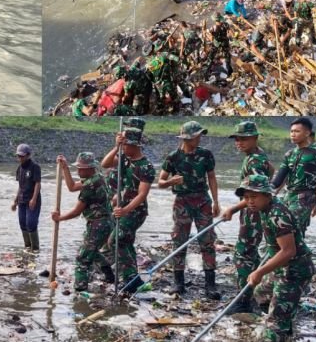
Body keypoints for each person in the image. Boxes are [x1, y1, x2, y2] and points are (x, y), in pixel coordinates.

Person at [227, 174, 315, 341]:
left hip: (294, 271)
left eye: (254, 196)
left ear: (267, 195)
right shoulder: (264, 207)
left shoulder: (277, 215)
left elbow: (288, 251)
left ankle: (279, 325)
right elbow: (248, 201)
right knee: (260, 292)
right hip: (281, 267)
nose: (250, 201)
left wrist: (260, 271)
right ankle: (285, 321)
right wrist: (232, 209)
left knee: (274, 327)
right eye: (246, 197)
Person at [158, 121, 220, 298]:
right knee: (179, 241)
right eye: (196, 136)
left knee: (207, 241)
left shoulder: (206, 155)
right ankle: (178, 283)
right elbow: (160, 182)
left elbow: (212, 178)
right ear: (187, 137)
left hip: (203, 202)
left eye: (200, 135)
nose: (200, 139)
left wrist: (216, 202)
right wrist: (171, 181)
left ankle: (210, 285)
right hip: (182, 203)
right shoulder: (173, 157)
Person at [221, 121, 275, 314]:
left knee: (243, 253)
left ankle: (244, 300)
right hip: (254, 209)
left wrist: (233, 208)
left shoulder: (254, 161)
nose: (239, 142)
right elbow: (272, 172)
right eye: (237, 139)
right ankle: (257, 293)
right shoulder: (258, 156)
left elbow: (255, 193)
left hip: (253, 211)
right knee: (251, 253)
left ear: (255, 138)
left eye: (243, 139)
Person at [102, 122, 156, 294]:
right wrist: (116, 146)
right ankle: (133, 277)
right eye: (123, 145)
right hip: (122, 206)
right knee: (126, 241)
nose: (124, 148)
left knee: (116, 240)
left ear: (134, 145)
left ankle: (131, 278)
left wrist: (125, 210)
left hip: (136, 210)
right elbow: (105, 163)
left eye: (126, 145)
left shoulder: (145, 167)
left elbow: (142, 195)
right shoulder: (125, 158)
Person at [52, 152, 115, 292]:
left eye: (81, 168)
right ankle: (110, 276)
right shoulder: (97, 178)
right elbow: (72, 187)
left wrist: (59, 218)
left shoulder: (90, 185)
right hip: (104, 223)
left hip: (98, 224)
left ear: (90, 168)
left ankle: (80, 291)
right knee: (92, 252)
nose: (78, 170)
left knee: (82, 258)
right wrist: (65, 168)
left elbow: (76, 212)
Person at [270, 117, 316, 234]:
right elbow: (278, 180)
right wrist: (261, 188)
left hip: (305, 198)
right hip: (288, 196)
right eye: (291, 131)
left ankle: (298, 251)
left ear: (307, 133)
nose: (293, 134)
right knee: (277, 225)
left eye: (297, 131)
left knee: (293, 228)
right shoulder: (290, 154)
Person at [12, 143, 42, 250]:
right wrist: (15, 202)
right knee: (22, 223)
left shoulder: (35, 167)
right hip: (22, 200)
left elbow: (37, 184)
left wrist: (34, 199)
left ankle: (35, 248)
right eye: (18, 156)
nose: (20, 158)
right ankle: (27, 246)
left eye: (22, 156)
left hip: (32, 200)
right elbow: (20, 186)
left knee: (31, 223)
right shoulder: (19, 169)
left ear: (28, 155)